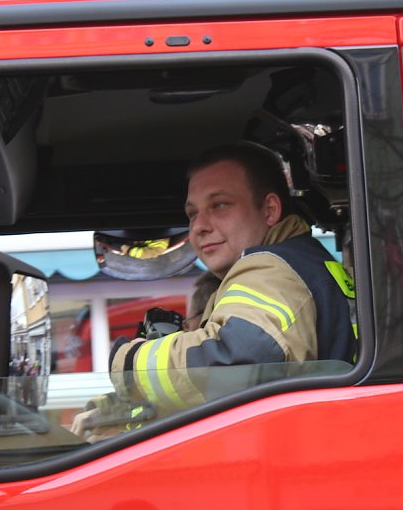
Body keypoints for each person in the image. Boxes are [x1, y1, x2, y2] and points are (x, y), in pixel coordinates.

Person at [109, 143, 356, 414]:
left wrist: (130, 364)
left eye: (220, 205)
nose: (200, 226)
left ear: (270, 210)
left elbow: (240, 360)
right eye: (192, 213)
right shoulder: (302, 262)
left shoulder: (272, 269)